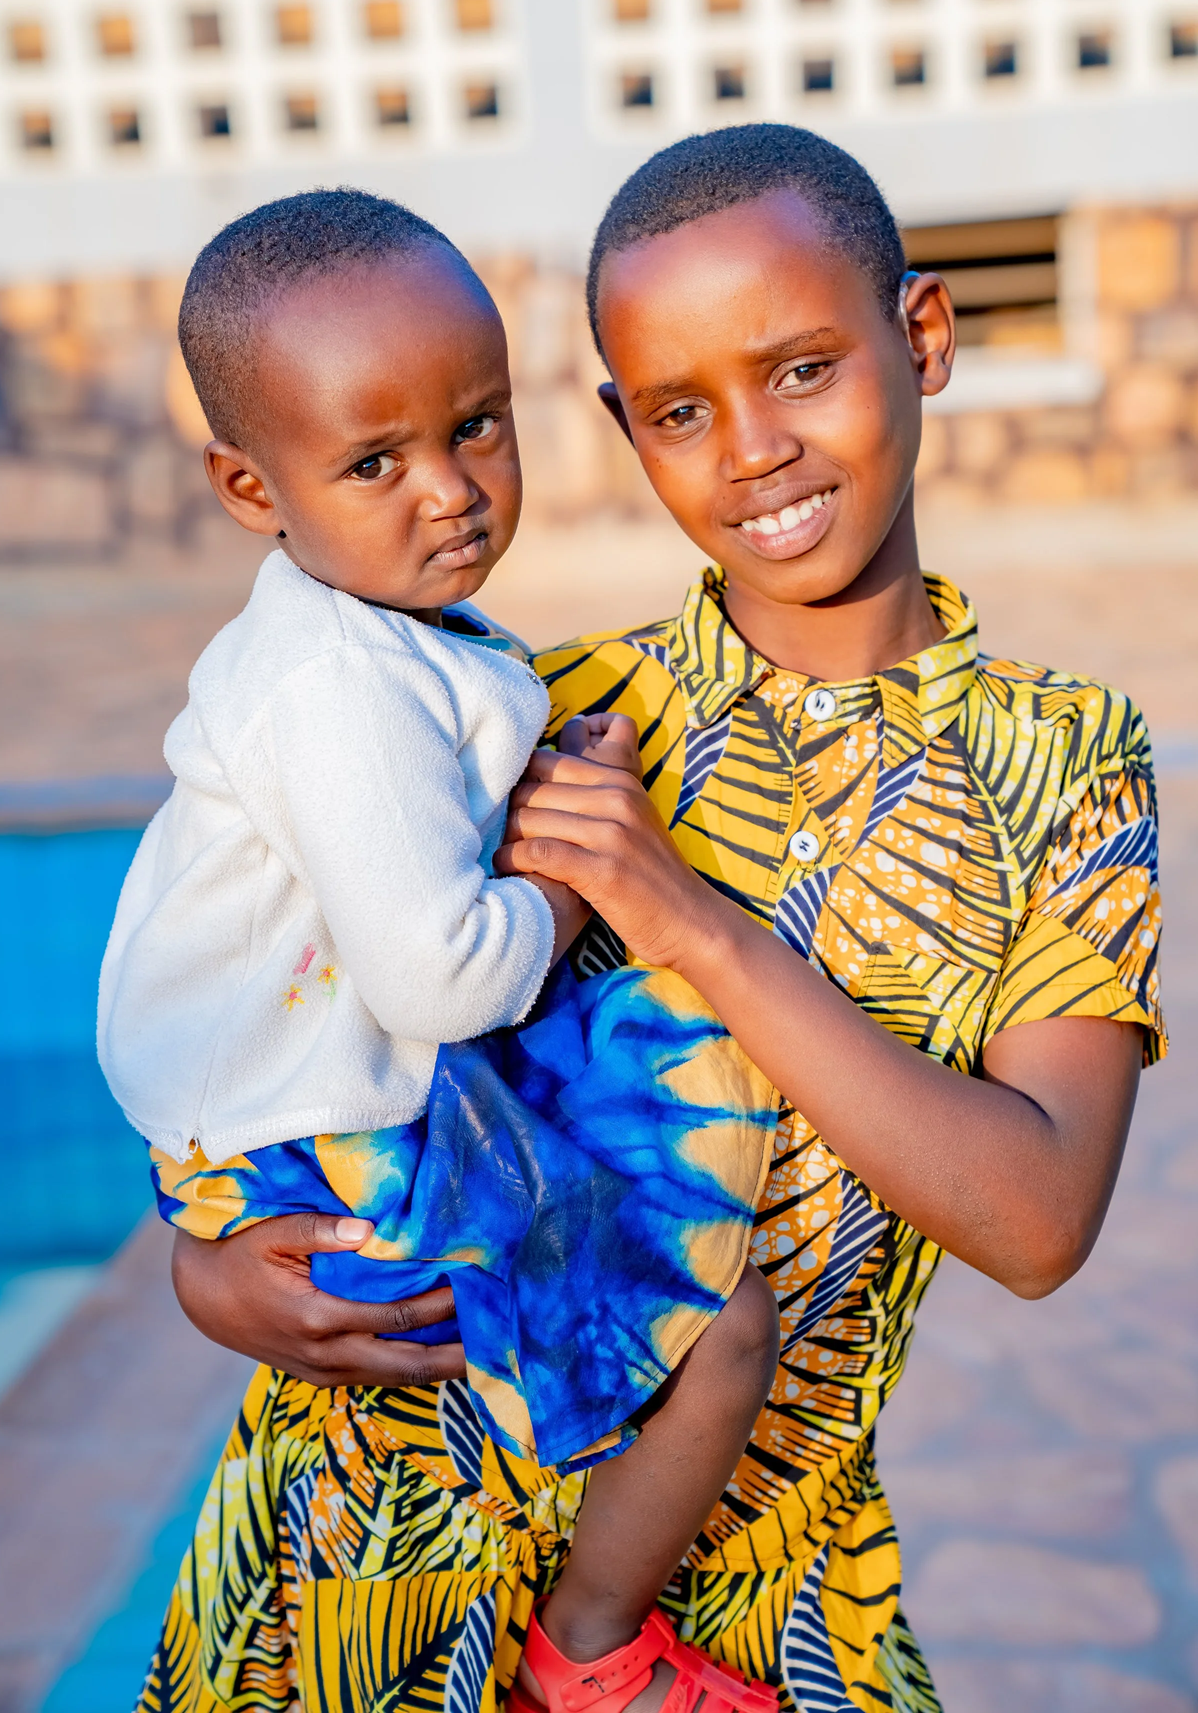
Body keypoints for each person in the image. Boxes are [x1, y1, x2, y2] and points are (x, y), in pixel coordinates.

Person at [153, 128, 1162, 1713]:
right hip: (372, 1545)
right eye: (681, 411)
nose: (752, 450)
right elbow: (277, 996)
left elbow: (1033, 1218)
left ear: (922, 338)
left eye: (804, 368)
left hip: (758, 1596)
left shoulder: (1064, 761)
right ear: (625, 430)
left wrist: (690, 919)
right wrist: (202, 1268)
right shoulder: (547, 713)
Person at [104, 188, 790, 1713]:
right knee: (716, 1323)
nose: (450, 491)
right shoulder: (334, 687)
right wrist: (566, 862)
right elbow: (441, 976)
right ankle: (589, 1647)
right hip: (307, 1135)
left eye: (477, 426)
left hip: (322, 1097)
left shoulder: (385, 630)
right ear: (248, 484)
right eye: (375, 459)